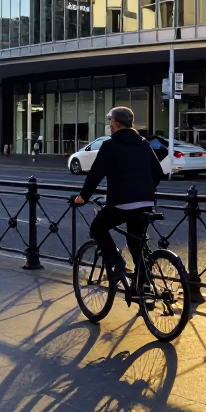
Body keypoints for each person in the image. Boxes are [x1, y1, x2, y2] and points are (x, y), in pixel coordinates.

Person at [73, 106, 165, 300]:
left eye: (110, 122)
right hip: (145, 202)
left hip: (121, 203)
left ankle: (116, 261)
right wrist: (145, 189)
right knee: (135, 241)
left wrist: (83, 197)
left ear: (115, 123)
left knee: (98, 227)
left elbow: (95, 174)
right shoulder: (143, 144)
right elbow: (157, 173)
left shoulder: (110, 145)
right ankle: (144, 285)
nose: (109, 126)